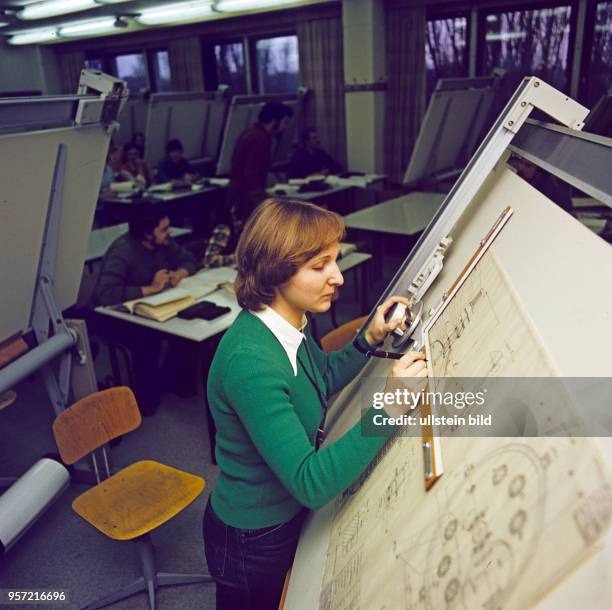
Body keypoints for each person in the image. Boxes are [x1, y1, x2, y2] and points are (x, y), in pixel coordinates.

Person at [202, 198, 427, 609]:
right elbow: (311, 482)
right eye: (319, 265)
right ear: (277, 269)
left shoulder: (291, 322)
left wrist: (369, 339)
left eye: (335, 261)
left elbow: (319, 380)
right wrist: (391, 407)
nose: (337, 277)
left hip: (280, 518)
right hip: (253, 538)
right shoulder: (251, 361)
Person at [93, 205, 198, 414]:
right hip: (117, 316)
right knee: (147, 341)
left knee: (190, 323)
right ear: (147, 233)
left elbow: (189, 260)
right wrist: (151, 288)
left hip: (153, 308)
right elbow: (105, 294)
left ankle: (172, 380)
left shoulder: (163, 242)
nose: (169, 232)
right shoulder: (122, 251)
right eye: (164, 229)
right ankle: (145, 399)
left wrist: (180, 273)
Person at [227, 102, 293, 220]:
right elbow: (252, 175)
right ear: (274, 121)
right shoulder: (259, 139)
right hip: (248, 200)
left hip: (241, 197)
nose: (285, 127)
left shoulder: (251, 132)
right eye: (285, 122)